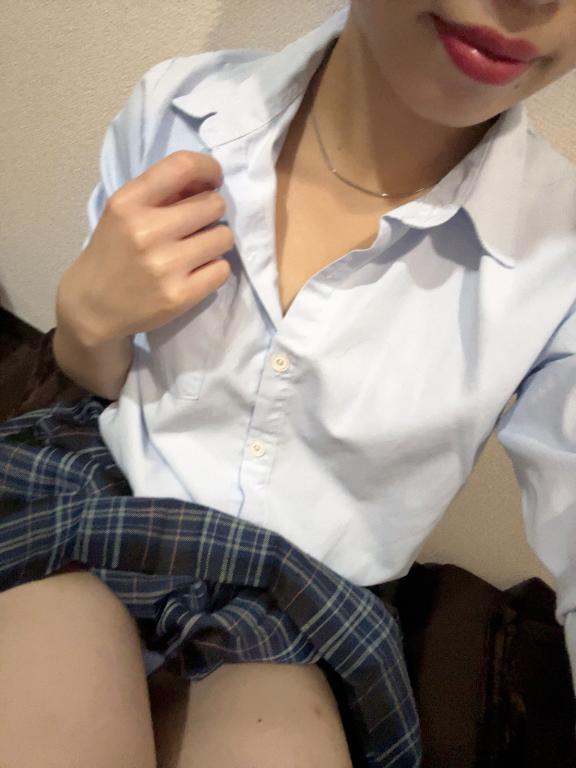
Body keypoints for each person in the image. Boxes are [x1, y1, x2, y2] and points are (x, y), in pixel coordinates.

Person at [1, 1, 576, 766]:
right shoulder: (178, 109)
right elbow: (95, 376)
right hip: (103, 505)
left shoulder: (561, 258)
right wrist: (85, 321)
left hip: (297, 607)